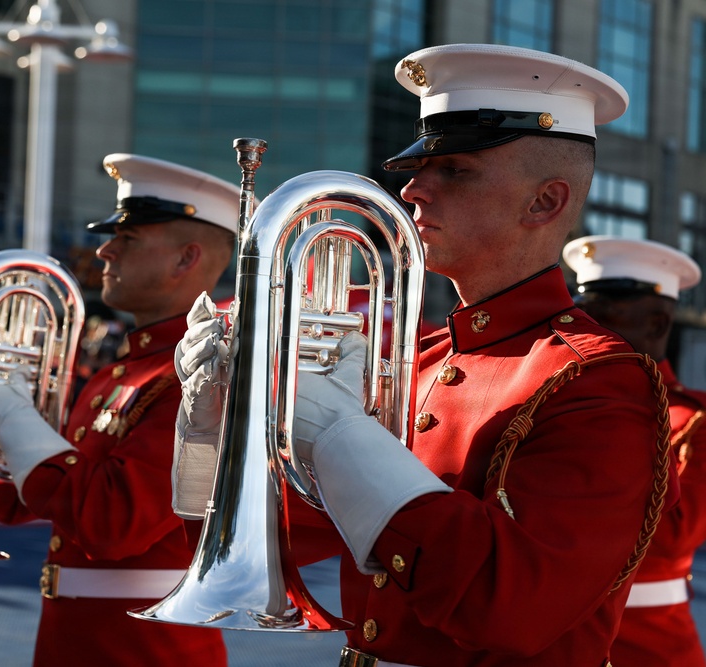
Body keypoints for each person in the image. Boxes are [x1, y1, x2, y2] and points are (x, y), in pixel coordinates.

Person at [174, 44, 675, 666]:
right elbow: (264, 547)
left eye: (456, 171)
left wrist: (339, 434)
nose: (413, 189)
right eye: (417, 169)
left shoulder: (595, 379)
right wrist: (214, 428)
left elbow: (511, 606)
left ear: (545, 202)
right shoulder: (416, 360)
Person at [0, 154, 239, 666]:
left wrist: (13, 418)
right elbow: (29, 500)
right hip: (75, 639)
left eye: (127, 239)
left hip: (150, 650)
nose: (105, 249)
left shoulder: (204, 379)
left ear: (185, 259)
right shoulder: (119, 373)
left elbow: (113, 523)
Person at [564, 235, 706, 666]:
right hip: (549, 638)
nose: (589, 333)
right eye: (582, 318)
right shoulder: (555, 400)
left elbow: (667, 542)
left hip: (645, 644)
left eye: (605, 318)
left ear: (658, 325)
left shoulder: (692, 421)